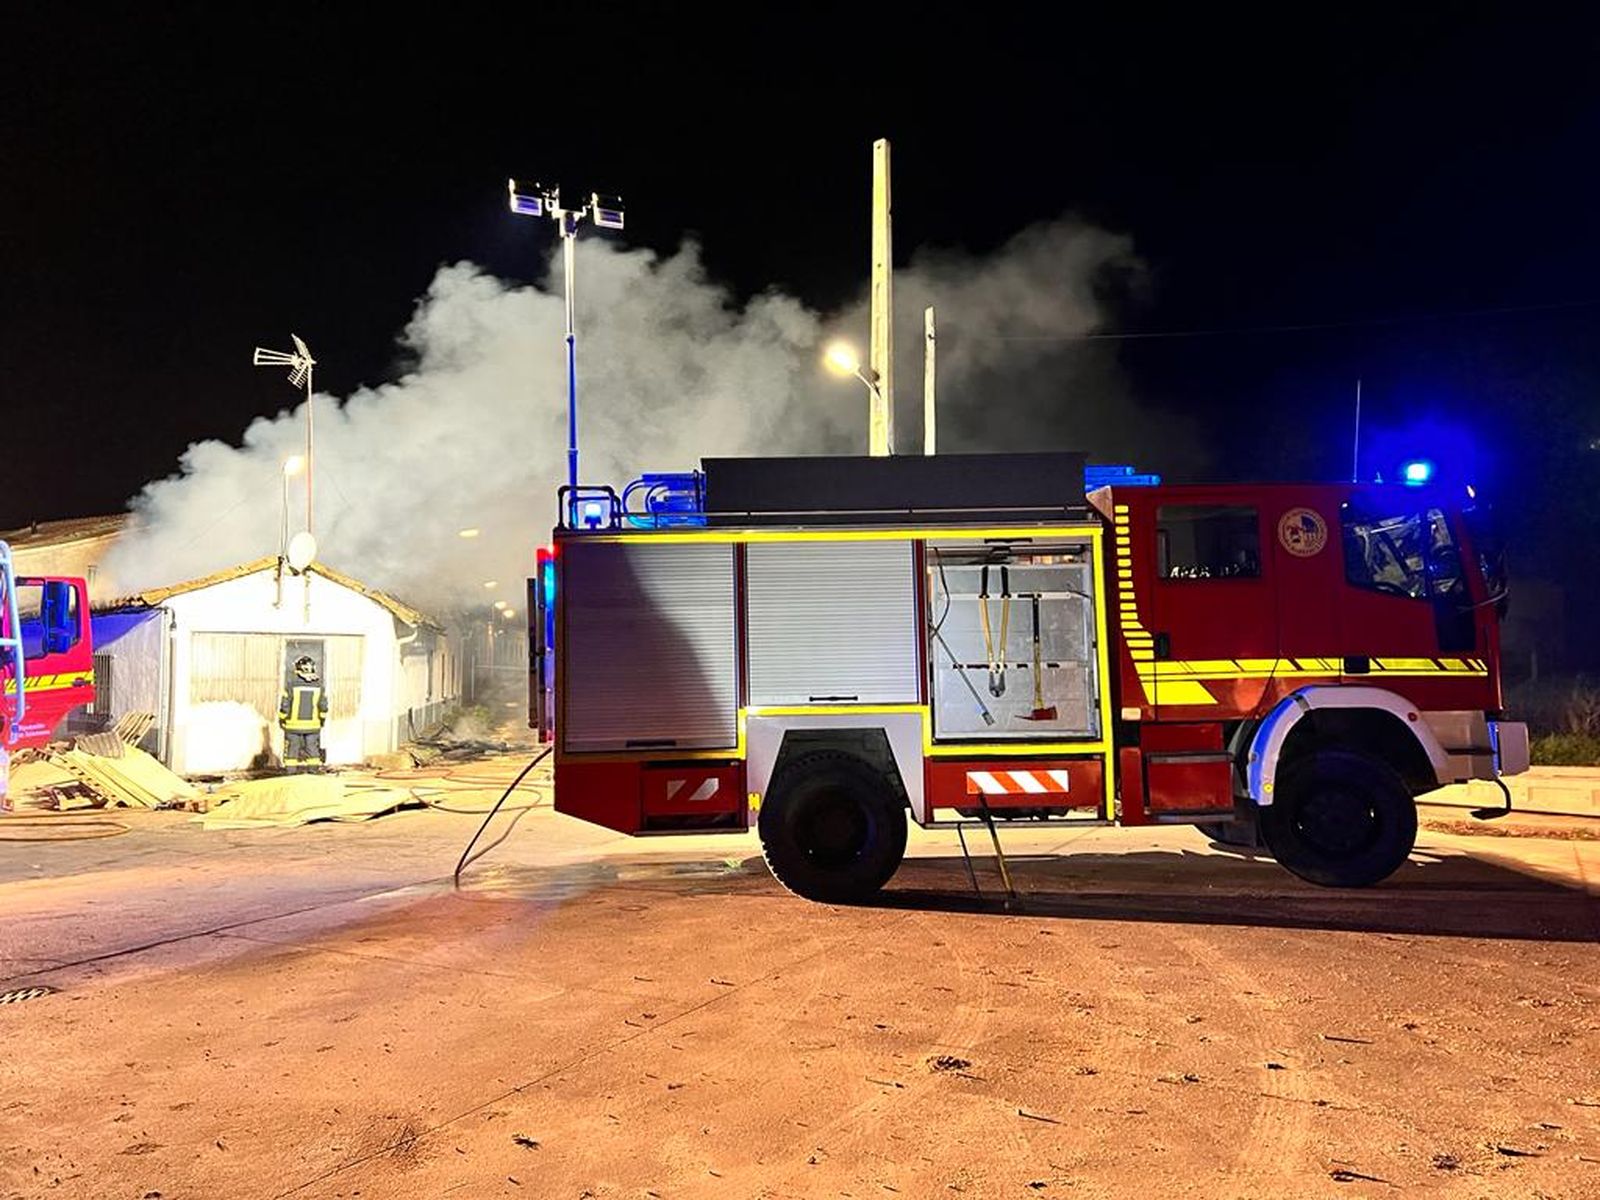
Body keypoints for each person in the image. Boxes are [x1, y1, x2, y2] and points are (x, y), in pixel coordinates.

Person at [279, 654, 328, 772]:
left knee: (292, 751)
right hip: (313, 726)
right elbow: (323, 707)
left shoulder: (291, 686)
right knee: (313, 751)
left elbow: (285, 706)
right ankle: (313, 775)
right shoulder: (319, 686)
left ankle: (290, 775)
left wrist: (282, 719)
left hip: (292, 726)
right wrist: (322, 721)